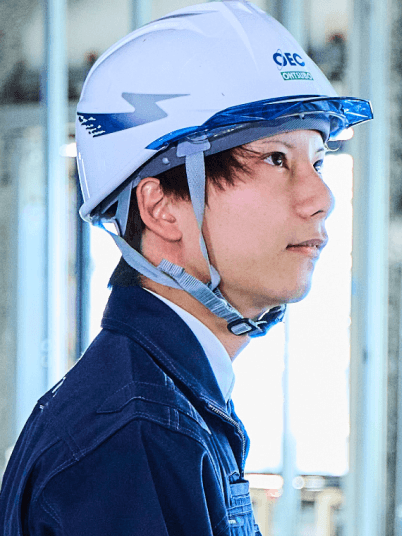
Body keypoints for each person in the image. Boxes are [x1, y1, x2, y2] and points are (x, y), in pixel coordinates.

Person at [0, 1, 372, 534]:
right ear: (161, 208)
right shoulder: (135, 439)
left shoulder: (171, 405)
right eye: (275, 159)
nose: (322, 198)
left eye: (317, 161)